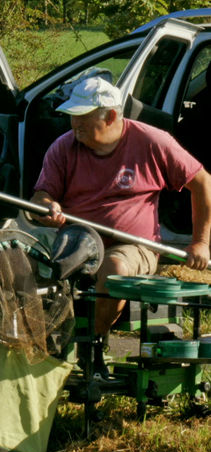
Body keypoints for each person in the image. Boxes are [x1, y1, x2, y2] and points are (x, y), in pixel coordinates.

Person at [30, 76, 211, 378]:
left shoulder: (152, 141)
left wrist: (201, 243)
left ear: (111, 115)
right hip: (77, 240)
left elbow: (203, 181)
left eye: (83, 118)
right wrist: (47, 207)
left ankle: (88, 346)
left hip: (135, 247)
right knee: (27, 267)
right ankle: (33, 344)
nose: (75, 125)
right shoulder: (62, 148)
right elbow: (41, 195)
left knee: (113, 265)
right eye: (73, 117)